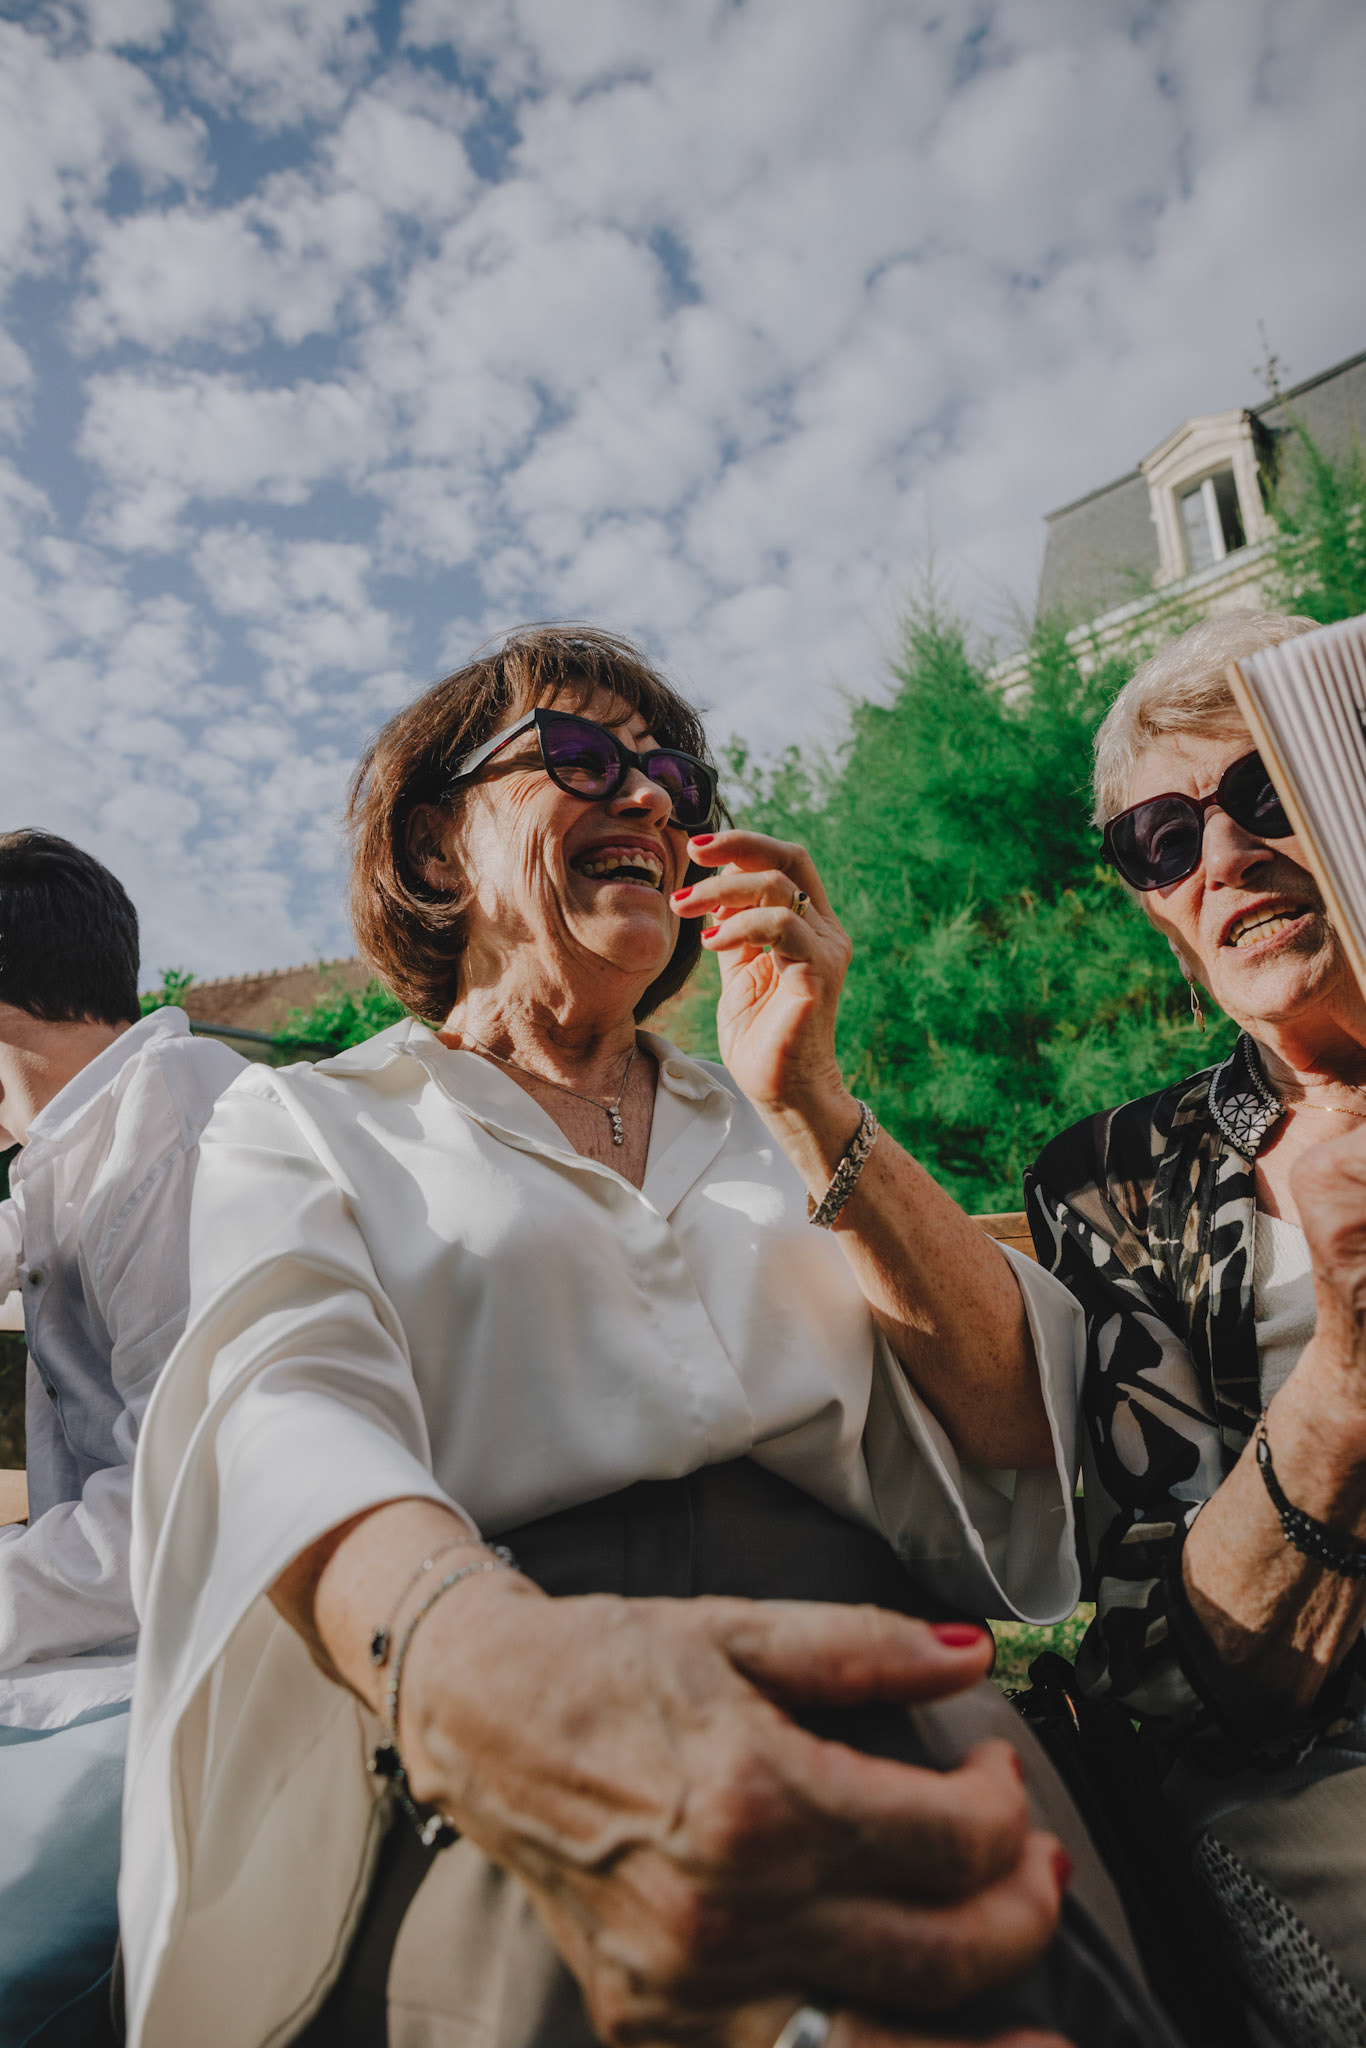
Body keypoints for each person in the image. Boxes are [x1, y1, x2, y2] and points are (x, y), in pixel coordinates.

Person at [121, 626, 1181, 2048]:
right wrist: (488, 1675)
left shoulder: (766, 1120)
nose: (644, 796)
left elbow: (1011, 1421)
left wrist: (807, 1096)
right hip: (493, 1692)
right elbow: (278, 1414)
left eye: (671, 778)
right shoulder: (308, 1120)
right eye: (575, 756)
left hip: (865, 1679)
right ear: (436, 847)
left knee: (994, 1949)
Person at [1028, 609, 1366, 2043]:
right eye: (1163, 841)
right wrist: (1344, 1376)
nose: (1221, 856)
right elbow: (1172, 1673)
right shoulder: (1115, 1182)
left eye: (1264, 791)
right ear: (1157, 909)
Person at [0, 831, 244, 2046]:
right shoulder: (78, 1141)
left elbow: (187, 1494)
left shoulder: (170, 1125)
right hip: (125, 1641)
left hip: (204, 1661)